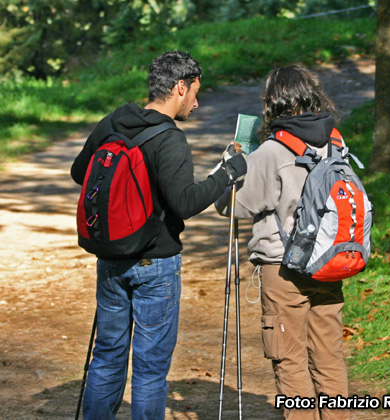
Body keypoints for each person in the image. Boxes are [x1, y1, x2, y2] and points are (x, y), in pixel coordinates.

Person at [70, 50, 247, 420]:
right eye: (195, 93)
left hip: (112, 257)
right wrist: (227, 174)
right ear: (180, 87)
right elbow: (183, 204)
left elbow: (78, 172)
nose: (197, 103)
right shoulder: (170, 139)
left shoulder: (114, 122)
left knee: (106, 356)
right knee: (149, 371)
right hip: (156, 263)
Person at [216, 64, 349, 420]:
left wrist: (231, 164)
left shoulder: (272, 152)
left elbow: (232, 207)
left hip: (283, 269)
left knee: (289, 362)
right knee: (329, 358)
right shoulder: (335, 141)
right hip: (328, 262)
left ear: (272, 103)